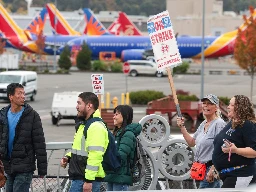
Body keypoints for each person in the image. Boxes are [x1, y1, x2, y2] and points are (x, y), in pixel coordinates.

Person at [0, 83, 47, 192]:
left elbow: (39, 143)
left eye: (23, 93)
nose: (23, 96)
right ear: (10, 96)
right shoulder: (2, 114)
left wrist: (42, 170)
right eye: (19, 93)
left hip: (24, 166)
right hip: (8, 166)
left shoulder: (32, 115)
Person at [60, 92, 109, 192]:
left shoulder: (96, 127)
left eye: (79, 103)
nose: (76, 106)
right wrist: (69, 156)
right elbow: (82, 148)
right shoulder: (85, 125)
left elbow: (95, 155)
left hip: (86, 180)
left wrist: (88, 181)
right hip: (80, 178)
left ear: (89, 106)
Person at [177, 94, 226, 188]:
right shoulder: (203, 123)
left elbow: (222, 149)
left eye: (209, 104)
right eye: (204, 103)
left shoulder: (219, 124)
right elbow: (191, 142)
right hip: (201, 170)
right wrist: (182, 127)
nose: (205, 106)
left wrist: (213, 169)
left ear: (216, 107)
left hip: (210, 170)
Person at [212, 95, 256, 188]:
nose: (228, 107)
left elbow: (254, 151)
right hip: (228, 175)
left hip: (239, 174)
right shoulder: (231, 124)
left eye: (231, 105)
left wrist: (236, 150)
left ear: (240, 108)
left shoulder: (248, 125)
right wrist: (214, 168)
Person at [104, 105, 142, 191]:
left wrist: (105, 159)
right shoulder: (117, 133)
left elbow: (121, 156)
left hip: (121, 177)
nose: (114, 116)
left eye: (117, 114)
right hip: (112, 175)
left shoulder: (127, 134)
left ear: (125, 116)